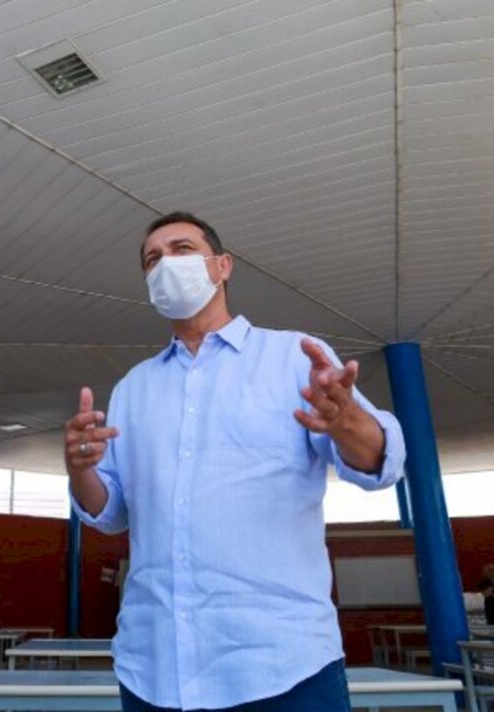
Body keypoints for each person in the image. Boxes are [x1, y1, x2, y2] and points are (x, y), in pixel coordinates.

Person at [64, 212, 407, 712]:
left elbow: (383, 463)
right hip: (153, 670)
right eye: (152, 259)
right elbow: (111, 511)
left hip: (283, 669)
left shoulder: (293, 357)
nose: (166, 265)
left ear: (222, 266)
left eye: (181, 249)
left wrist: (347, 419)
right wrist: (80, 467)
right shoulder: (134, 388)